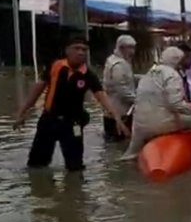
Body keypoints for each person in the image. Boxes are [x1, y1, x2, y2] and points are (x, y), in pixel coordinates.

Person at [13, 37, 130, 172]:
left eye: (84, 50)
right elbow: (36, 91)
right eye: (76, 48)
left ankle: (75, 191)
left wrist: (117, 118)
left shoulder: (88, 75)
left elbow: (102, 97)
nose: (80, 52)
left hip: (73, 123)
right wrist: (22, 113)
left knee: (75, 168)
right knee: (36, 166)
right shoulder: (55, 66)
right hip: (49, 120)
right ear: (67, 50)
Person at [120, 46, 191, 161]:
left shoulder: (149, 73)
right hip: (159, 123)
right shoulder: (172, 75)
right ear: (177, 60)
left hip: (138, 125)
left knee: (129, 155)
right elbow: (175, 104)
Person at [102, 35, 136, 141]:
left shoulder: (113, 60)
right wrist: (137, 99)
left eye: (133, 47)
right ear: (121, 48)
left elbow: (126, 80)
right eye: (130, 47)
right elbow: (121, 89)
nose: (132, 51)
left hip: (111, 111)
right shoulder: (118, 65)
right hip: (120, 112)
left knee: (114, 143)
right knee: (120, 143)